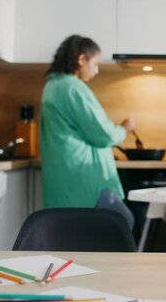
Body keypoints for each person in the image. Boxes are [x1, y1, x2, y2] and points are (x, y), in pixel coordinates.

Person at [40, 35, 136, 229]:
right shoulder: (72, 87)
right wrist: (124, 129)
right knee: (123, 224)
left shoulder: (52, 86)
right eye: (95, 64)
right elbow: (103, 134)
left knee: (76, 236)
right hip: (84, 180)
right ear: (82, 59)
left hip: (64, 181)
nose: (97, 70)